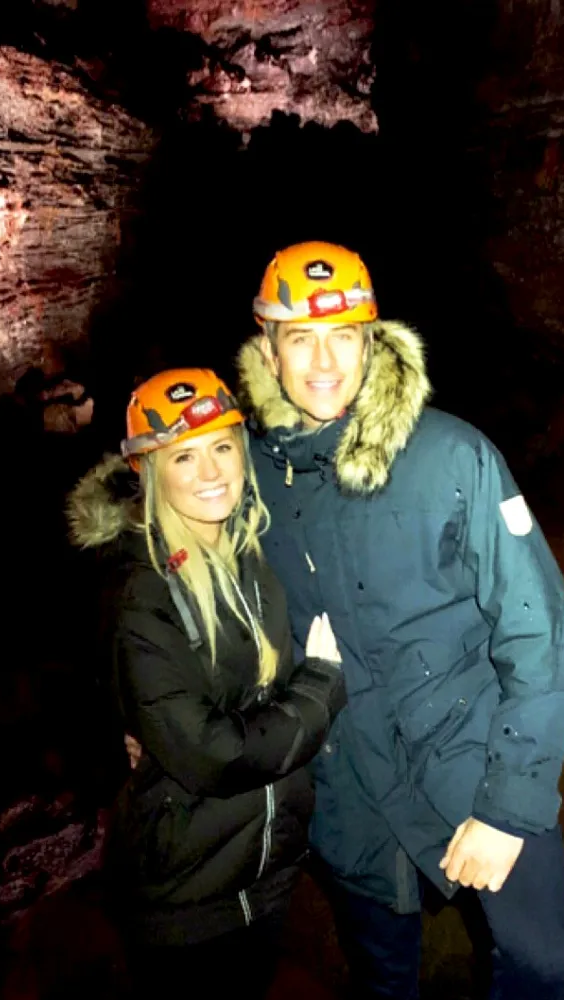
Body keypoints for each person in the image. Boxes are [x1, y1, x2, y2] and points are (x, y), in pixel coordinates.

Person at [231, 241, 564, 999]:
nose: (323, 362)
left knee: (536, 967)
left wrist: (509, 807)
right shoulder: (250, 474)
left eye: (343, 337)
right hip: (344, 781)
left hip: (473, 757)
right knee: (383, 974)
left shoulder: (452, 457)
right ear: (269, 347)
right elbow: (202, 592)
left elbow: (545, 643)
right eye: (300, 338)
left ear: (373, 340)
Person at [66, 368, 346, 998]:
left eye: (222, 446)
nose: (211, 471)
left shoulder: (245, 546)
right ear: (147, 473)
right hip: (186, 896)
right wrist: (318, 691)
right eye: (184, 456)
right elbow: (212, 752)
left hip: (264, 873)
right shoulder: (141, 590)